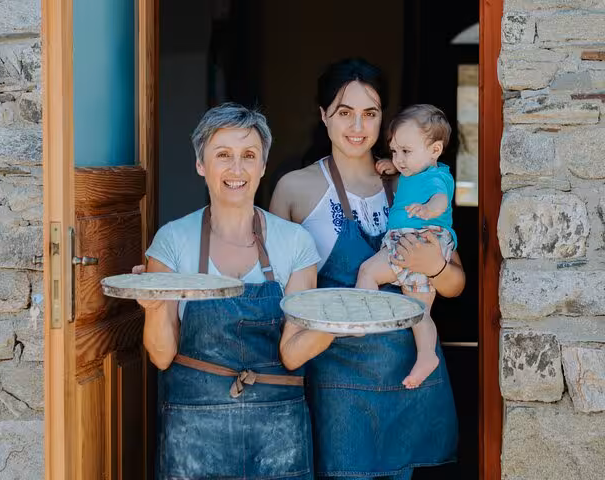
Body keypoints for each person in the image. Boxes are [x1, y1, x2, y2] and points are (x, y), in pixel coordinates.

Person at [270, 59, 465, 480]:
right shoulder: (294, 189)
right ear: (323, 115)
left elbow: (455, 285)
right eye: (344, 112)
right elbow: (275, 298)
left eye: (371, 113)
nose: (358, 126)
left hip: (411, 376)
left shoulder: (409, 179)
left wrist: (433, 266)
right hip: (338, 387)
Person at [137, 103, 321, 479]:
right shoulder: (172, 241)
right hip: (194, 432)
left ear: (263, 166)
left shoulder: (295, 243)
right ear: (201, 164)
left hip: (279, 434)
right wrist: (154, 308)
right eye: (223, 155)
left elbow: (292, 354)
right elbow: (160, 355)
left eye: (248, 156)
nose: (237, 169)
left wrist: (336, 323)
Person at [355, 104, 457, 389]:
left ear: (435, 150)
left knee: (368, 272)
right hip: (418, 242)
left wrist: (427, 210)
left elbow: (441, 199)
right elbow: (407, 177)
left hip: (418, 240)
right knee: (419, 311)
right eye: (394, 150)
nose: (398, 158)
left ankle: (363, 321)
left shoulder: (437, 177)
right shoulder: (412, 173)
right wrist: (393, 167)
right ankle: (426, 356)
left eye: (406, 152)